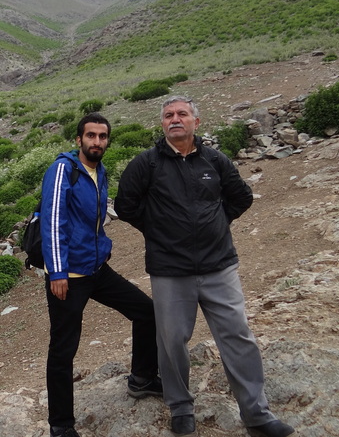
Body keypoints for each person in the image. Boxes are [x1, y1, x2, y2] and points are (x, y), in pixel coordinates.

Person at [114, 96, 295, 437]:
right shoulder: (146, 164)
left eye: (182, 114)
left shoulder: (215, 160)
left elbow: (240, 197)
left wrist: (216, 222)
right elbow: (126, 205)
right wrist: (158, 229)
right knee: (172, 341)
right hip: (170, 270)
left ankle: (257, 414)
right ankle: (180, 407)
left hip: (219, 266)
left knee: (238, 336)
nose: (175, 119)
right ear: (162, 124)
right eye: (168, 115)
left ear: (196, 121)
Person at [40, 112, 161, 437]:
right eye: (91, 136)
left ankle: (142, 378)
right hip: (69, 277)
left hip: (96, 269)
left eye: (102, 136)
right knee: (63, 350)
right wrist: (56, 272)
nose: (97, 141)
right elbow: (52, 221)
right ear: (79, 139)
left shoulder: (99, 170)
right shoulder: (64, 169)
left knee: (146, 312)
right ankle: (61, 426)